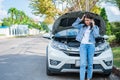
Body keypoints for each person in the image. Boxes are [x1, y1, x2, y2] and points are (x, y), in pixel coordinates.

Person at [72, 13, 100, 80]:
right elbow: (74, 25)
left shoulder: (95, 27)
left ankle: (88, 78)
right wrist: (80, 19)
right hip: (83, 46)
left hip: (91, 46)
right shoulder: (82, 26)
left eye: (88, 20)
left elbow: (96, 35)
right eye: (85, 20)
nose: (86, 22)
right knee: (83, 64)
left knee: (90, 64)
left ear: (91, 20)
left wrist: (93, 25)